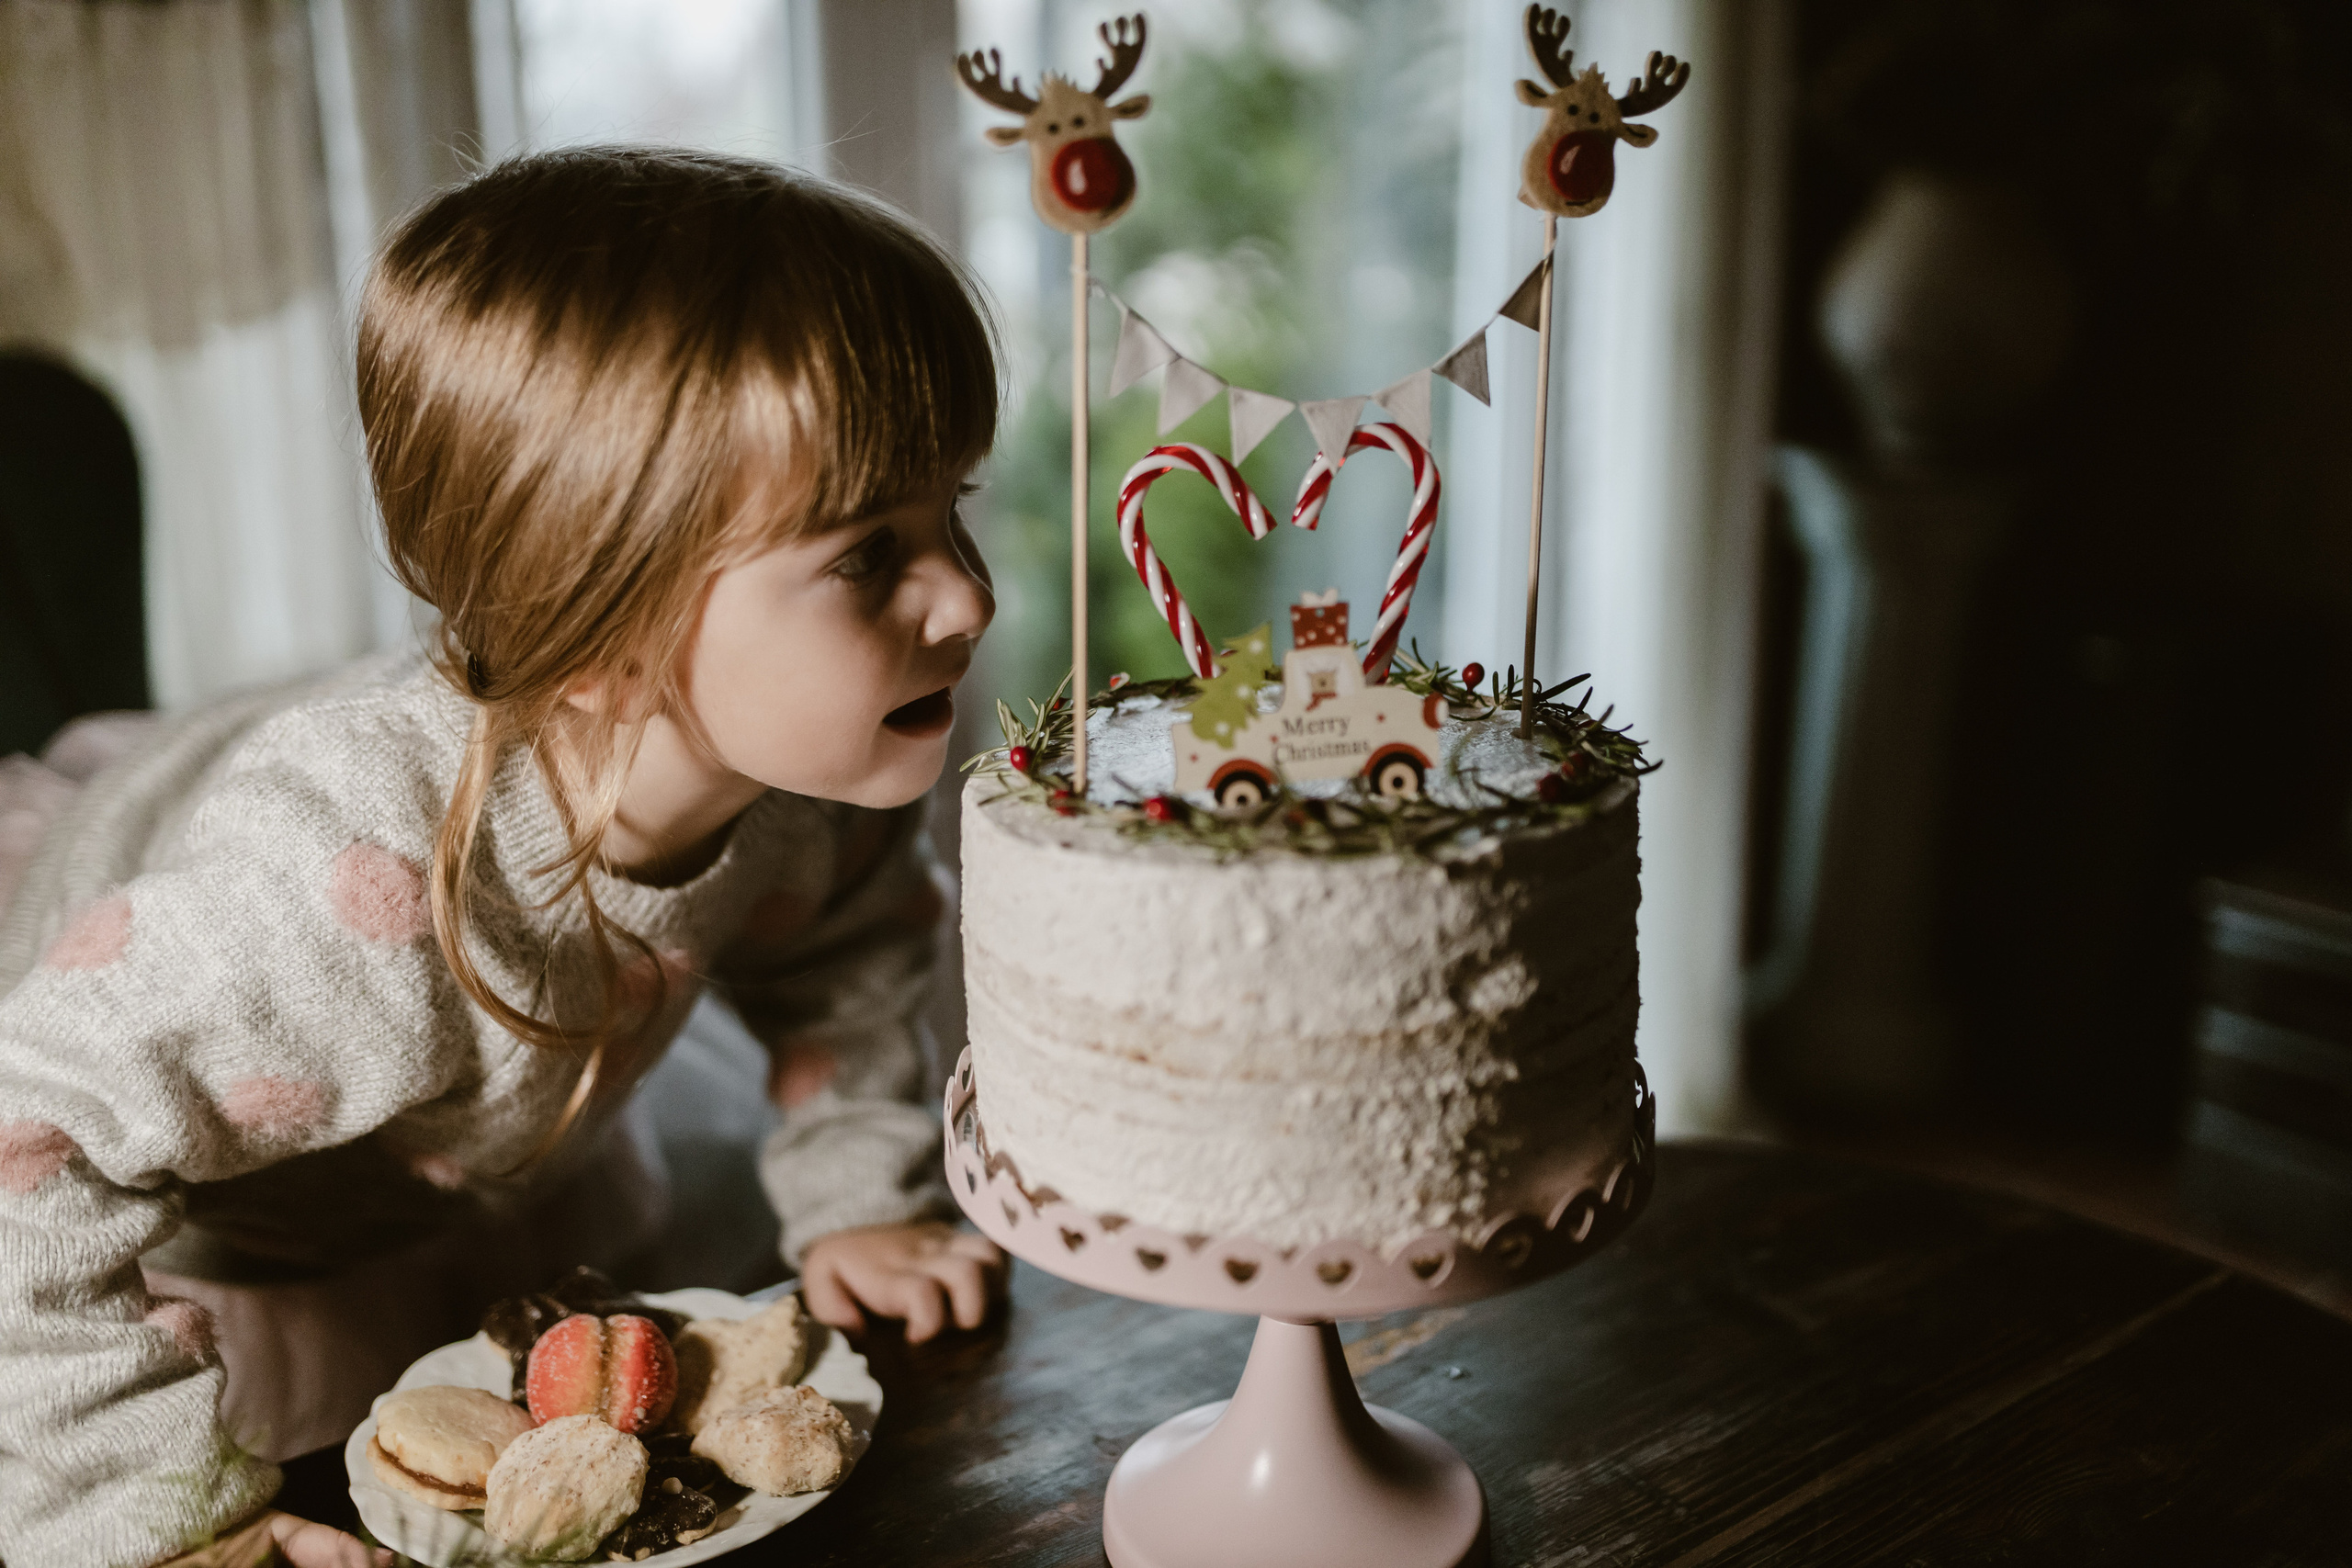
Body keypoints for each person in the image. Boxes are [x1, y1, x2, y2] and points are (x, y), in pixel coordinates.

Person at [0, 149, 1007, 1568]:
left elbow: (851, 944)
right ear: (599, 635)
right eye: (866, 555)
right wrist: (144, 1514)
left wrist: (859, 1198)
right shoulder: (336, 896)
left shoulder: (813, 786)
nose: (966, 595)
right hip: (168, 1134)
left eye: (953, 508)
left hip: (459, 1137)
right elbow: (27, 1142)